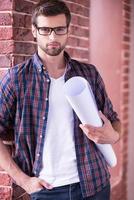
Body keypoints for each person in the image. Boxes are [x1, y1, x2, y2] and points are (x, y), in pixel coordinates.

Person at [0, 0, 121, 199]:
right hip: (47, 190)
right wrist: (23, 180)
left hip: (95, 184)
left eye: (59, 29)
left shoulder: (88, 74)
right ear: (34, 30)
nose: (53, 37)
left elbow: (114, 121)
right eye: (46, 30)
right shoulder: (17, 79)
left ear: (68, 30)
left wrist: (113, 136)